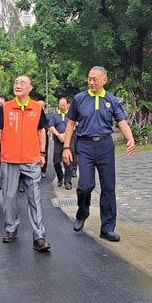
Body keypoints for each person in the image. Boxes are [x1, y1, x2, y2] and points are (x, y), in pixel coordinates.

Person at [63, 66, 135, 242]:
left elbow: (122, 122)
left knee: (108, 187)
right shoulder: (80, 99)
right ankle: (83, 211)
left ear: (104, 80)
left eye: (95, 79)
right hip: (85, 146)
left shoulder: (111, 100)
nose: (91, 82)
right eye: (89, 78)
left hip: (105, 145)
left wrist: (130, 138)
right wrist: (66, 147)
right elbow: (71, 124)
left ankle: (107, 228)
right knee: (85, 186)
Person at [0, 75, 51, 252]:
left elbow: (42, 132)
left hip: (31, 160)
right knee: (9, 198)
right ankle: (11, 228)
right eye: (16, 82)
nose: (17, 85)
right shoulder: (6, 108)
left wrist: (42, 153)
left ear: (30, 88)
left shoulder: (37, 109)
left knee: (35, 198)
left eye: (22, 83)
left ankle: (39, 236)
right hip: (10, 160)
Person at [49, 97, 77, 190]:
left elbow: (73, 126)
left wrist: (66, 135)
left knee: (68, 161)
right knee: (56, 162)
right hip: (58, 141)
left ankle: (67, 182)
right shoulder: (55, 115)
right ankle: (60, 177)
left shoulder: (71, 114)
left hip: (69, 141)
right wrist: (58, 135)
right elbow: (51, 126)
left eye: (64, 105)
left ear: (67, 105)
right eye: (60, 105)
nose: (62, 107)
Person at [37, 99, 50, 179]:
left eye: (41, 106)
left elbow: (47, 126)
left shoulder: (47, 116)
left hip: (43, 136)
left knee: (43, 152)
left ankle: (43, 170)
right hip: (34, 136)